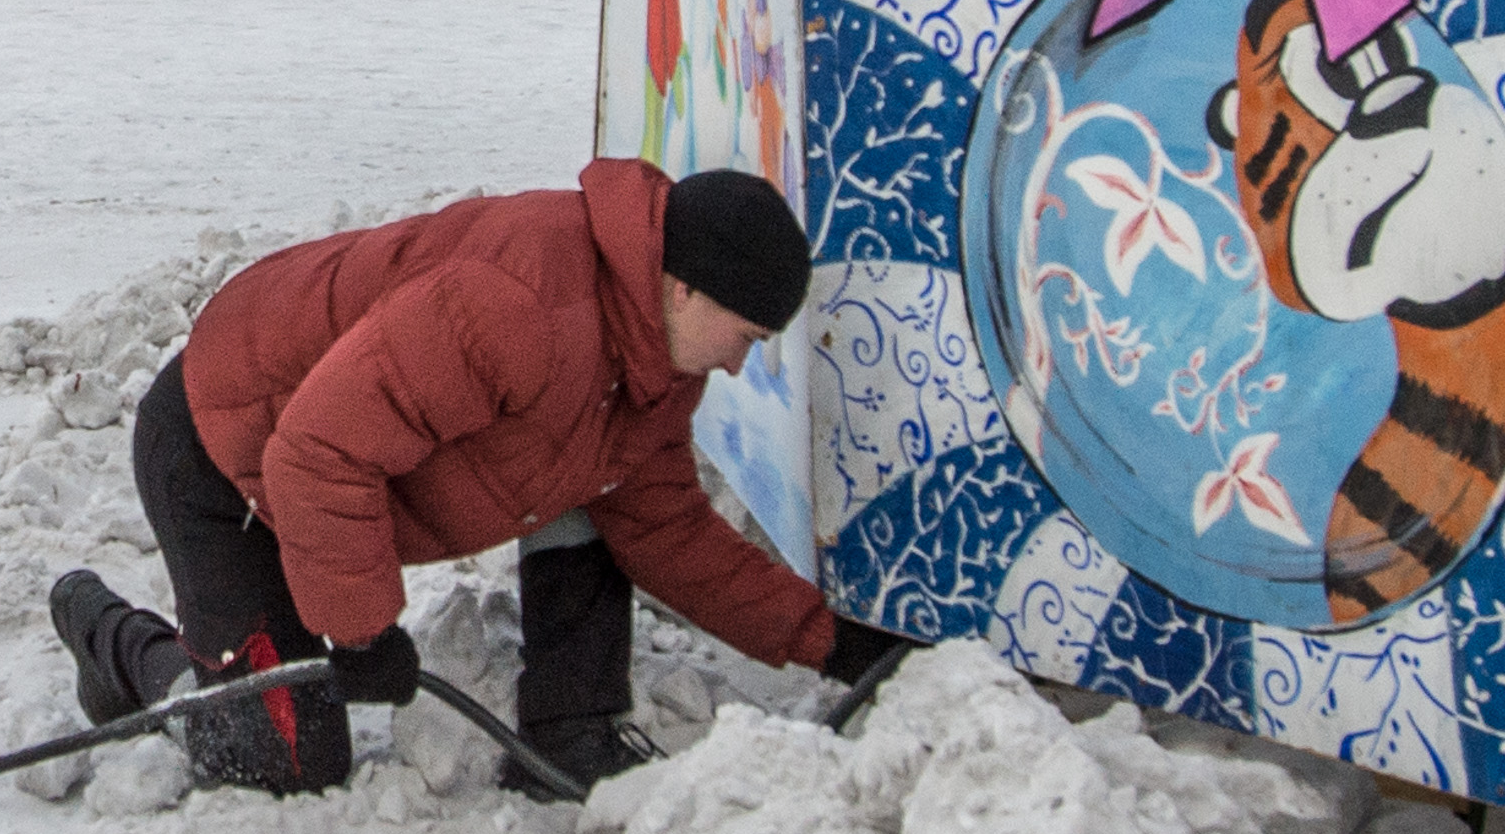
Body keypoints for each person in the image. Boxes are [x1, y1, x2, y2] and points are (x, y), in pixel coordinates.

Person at [49, 163, 915, 795]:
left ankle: (568, 727)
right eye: (749, 334)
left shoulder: (648, 368)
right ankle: (114, 639)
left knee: (602, 493)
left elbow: (667, 533)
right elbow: (318, 450)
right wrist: (359, 632)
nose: (742, 363)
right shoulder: (517, 305)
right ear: (684, 289)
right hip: (223, 440)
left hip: (309, 461)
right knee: (277, 758)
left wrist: (834, 645)